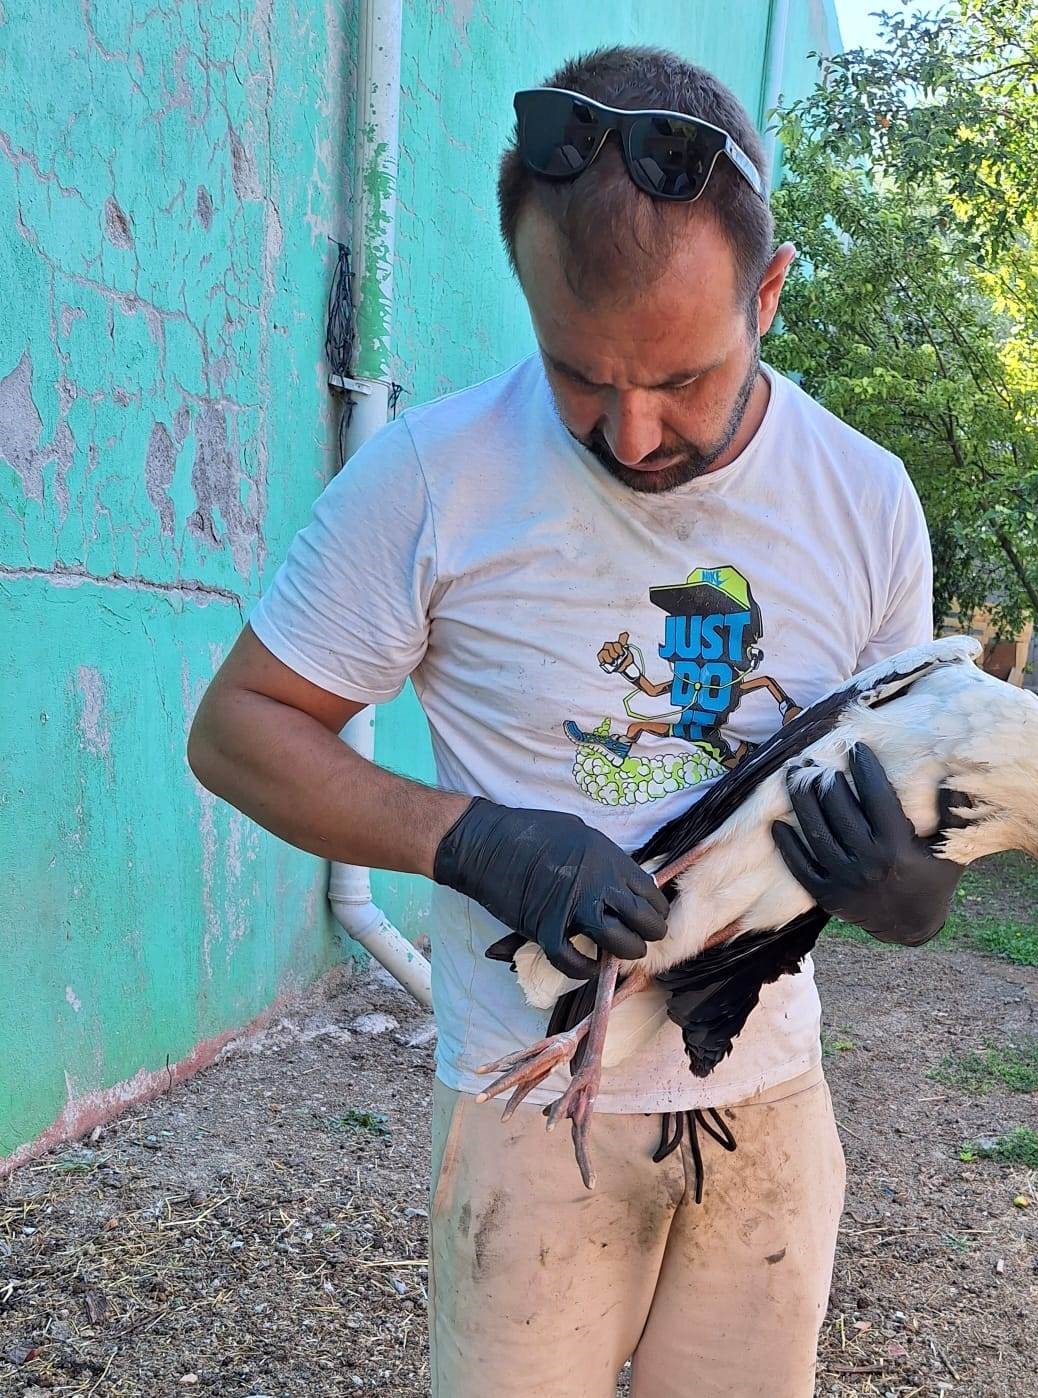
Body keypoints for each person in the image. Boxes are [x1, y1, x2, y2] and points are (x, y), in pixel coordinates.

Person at [188, 45, 963, 1398]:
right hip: (528, 1105)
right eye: (578, 376)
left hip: (766, 1100)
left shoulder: (865, 499)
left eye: (682, 377)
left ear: (768, 294)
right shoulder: (438, 477)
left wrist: (917, 885)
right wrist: (472, 838)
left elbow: (912, 788)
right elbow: (240, 727)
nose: (631, 432)